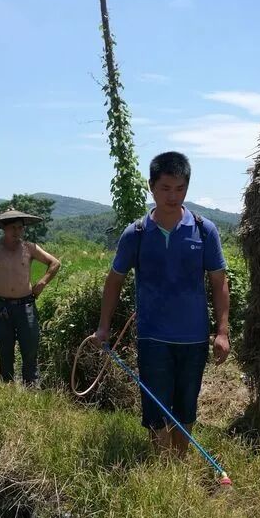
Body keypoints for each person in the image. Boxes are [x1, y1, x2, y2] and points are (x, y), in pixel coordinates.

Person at [95, 151, 230, 458]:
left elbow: (219, 282)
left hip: (194, 337)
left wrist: (222, 332)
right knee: (155, 407)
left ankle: (178, 464)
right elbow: (114, 281)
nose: (173, 196)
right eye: (165, 188)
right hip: (152, 336)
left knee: (186, 406)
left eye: (180, 188)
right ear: (151, 187)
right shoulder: (136, 234)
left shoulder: (204, 230)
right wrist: (103, 327)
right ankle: (161, 465)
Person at [0, 208, 61, 385]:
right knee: (5, 350)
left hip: (26, 306)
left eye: (20, 227)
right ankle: (7, 388)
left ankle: (31, 387)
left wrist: (42, 283)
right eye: (13, 227)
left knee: (30, 349)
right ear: (3, 228)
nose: (17, 231)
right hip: (3, 307)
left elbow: (55, 263)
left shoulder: (29, 248)